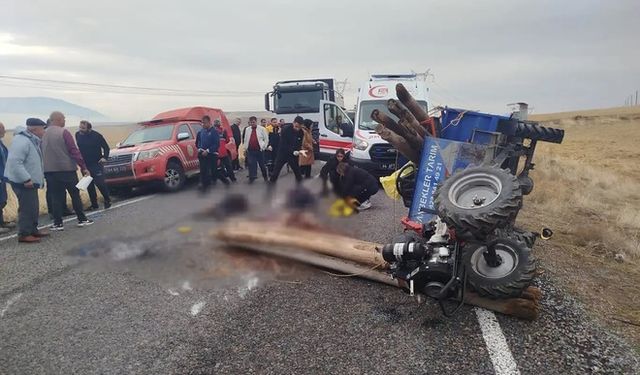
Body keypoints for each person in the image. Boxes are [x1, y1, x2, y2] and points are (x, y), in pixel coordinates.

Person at [43, 111, 93, 230]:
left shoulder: (43, 134)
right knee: (74, 194)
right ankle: (82, 219)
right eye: (64, 119)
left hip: (50, 171)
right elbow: (73, 150)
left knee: (55, 197)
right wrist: (83, 166)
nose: (65, 121)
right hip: (66, 169)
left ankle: (58, 223)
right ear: (58, 119)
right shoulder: (63, 132)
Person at [4, 118, 50, 243]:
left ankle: (33, 230)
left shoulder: (30, 140)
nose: (44, 132)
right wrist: (26, 178)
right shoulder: (22, 141)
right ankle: (24, 234)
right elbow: (15, 162)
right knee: (26, 208)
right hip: (23, 182)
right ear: (34, 129)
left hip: (29, 182)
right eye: (42, 129)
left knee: (33, 206)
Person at [75, 120, 111, 210]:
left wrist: (104, 157)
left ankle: (107, 200)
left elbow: (106, 147)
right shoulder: (77, 135)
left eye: (83, 128)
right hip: (85, 164)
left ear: (89, 129)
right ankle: (94, 204)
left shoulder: (97, 136)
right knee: (89, 185)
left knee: (100, 183)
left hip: (96, 163)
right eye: (80, 127)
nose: (80, 130)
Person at [196, 115, 227, 192]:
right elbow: (197, 142)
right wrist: (200, 149)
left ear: (209, 122)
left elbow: (216, 144)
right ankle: (204, 186)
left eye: (205, 123)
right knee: (203, 170)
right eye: (202, 123)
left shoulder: (214, 131)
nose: (203, 124)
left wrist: (208, 150)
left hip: (212, 154)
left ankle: (225, 180)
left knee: (214, 171)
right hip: (202, 154)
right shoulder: (201, 132)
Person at [269, 116, 304, 183]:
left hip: (293, 155)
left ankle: (300, 186)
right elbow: (284, 144)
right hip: (283, 153)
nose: (297, 129)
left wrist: (298, 150)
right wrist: (292, 151)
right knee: (276, 171)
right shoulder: (285, 129)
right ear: (293, 123)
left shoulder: (301, 132)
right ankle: (271, 184)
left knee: (297, 171)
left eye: (299, 127)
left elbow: (299, 143)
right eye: (296, 126)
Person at [0, 122, 16, 234]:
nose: (4, 131)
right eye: (2, 129)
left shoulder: (1, 143)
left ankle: (2, 222)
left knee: (2, 200)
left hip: (2, 176)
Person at [242, 116, 269, 183]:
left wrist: (264, 146)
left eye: (253, 122)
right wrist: (245, 148)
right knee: (251, 164)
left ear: (256, 122)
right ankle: (252, 177)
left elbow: (266, 139)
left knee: (262, 165)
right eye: (251, 122)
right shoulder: (247, 129)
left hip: (259, 150)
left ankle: (265, 177)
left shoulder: (262, 129)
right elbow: (245, 139)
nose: (252, 123)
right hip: (251, 150)